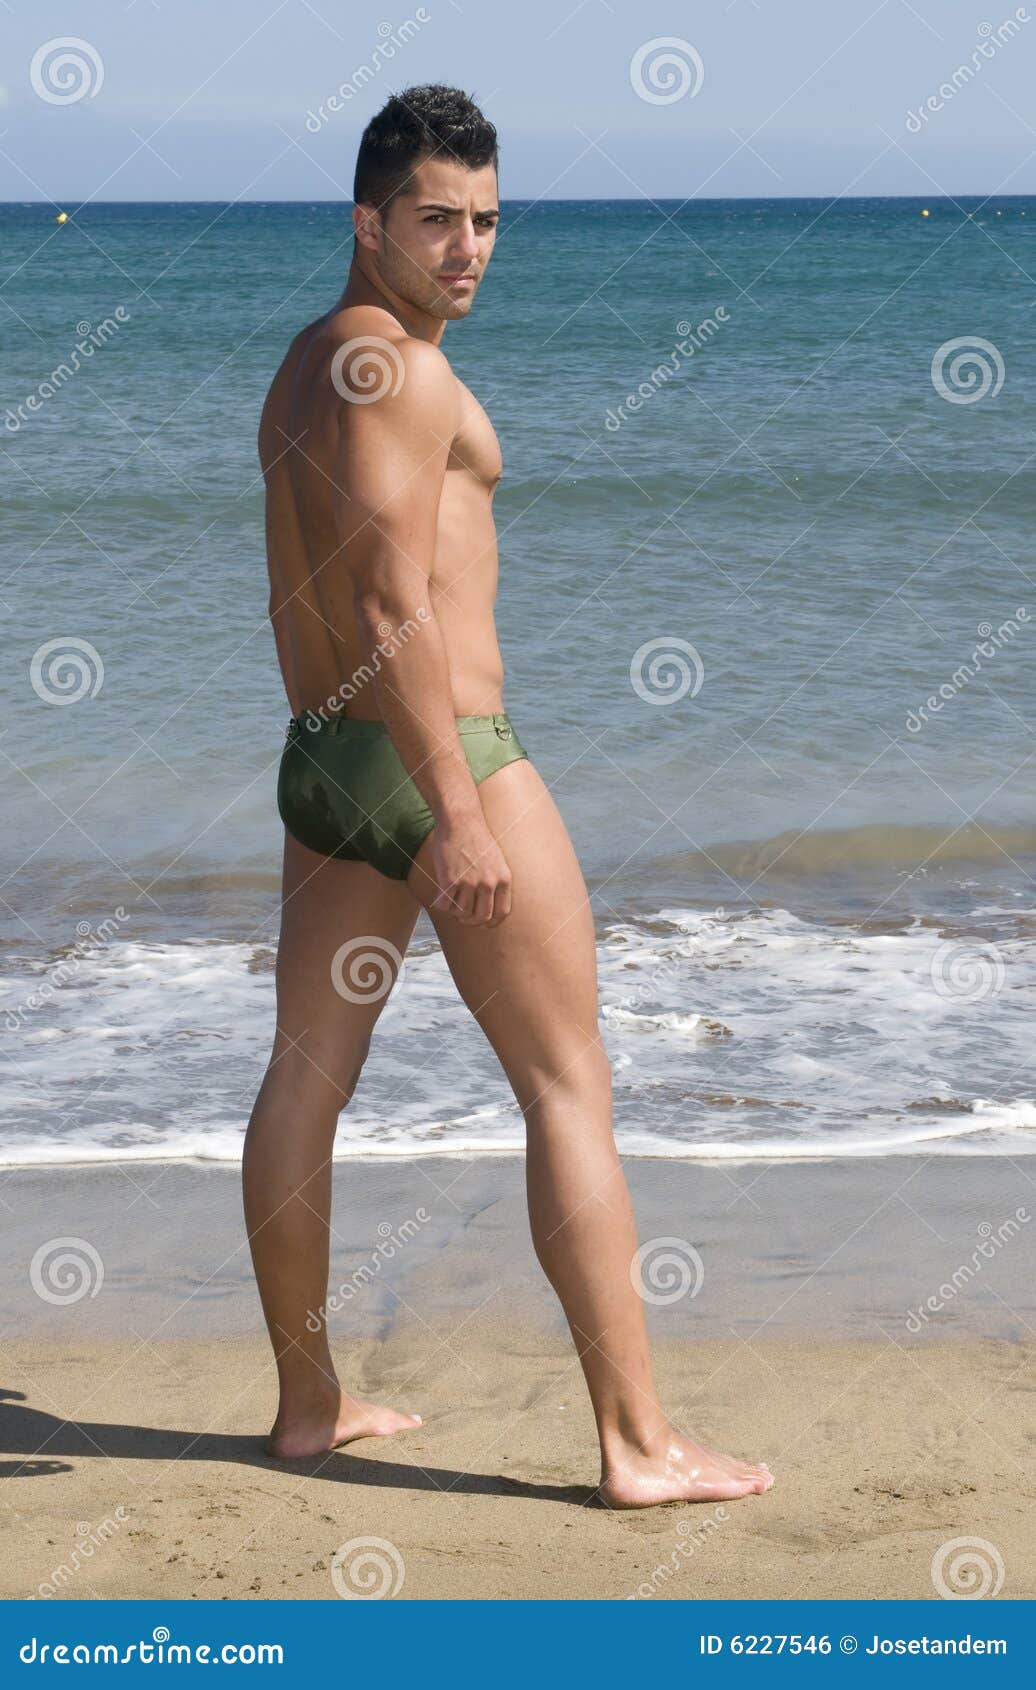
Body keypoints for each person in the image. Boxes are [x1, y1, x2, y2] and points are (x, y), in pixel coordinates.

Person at [244, 83, 774, 1508]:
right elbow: (382, 593)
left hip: (330, 758)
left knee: (307, 1073)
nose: (469, 248)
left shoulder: (308, 361)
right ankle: (638, 1445)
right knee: (566, 1082)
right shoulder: (393, 371)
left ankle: (309, 1403)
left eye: (484, 219)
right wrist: (459, 810)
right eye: (436, 221)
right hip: (444, 750)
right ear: (370, 223)